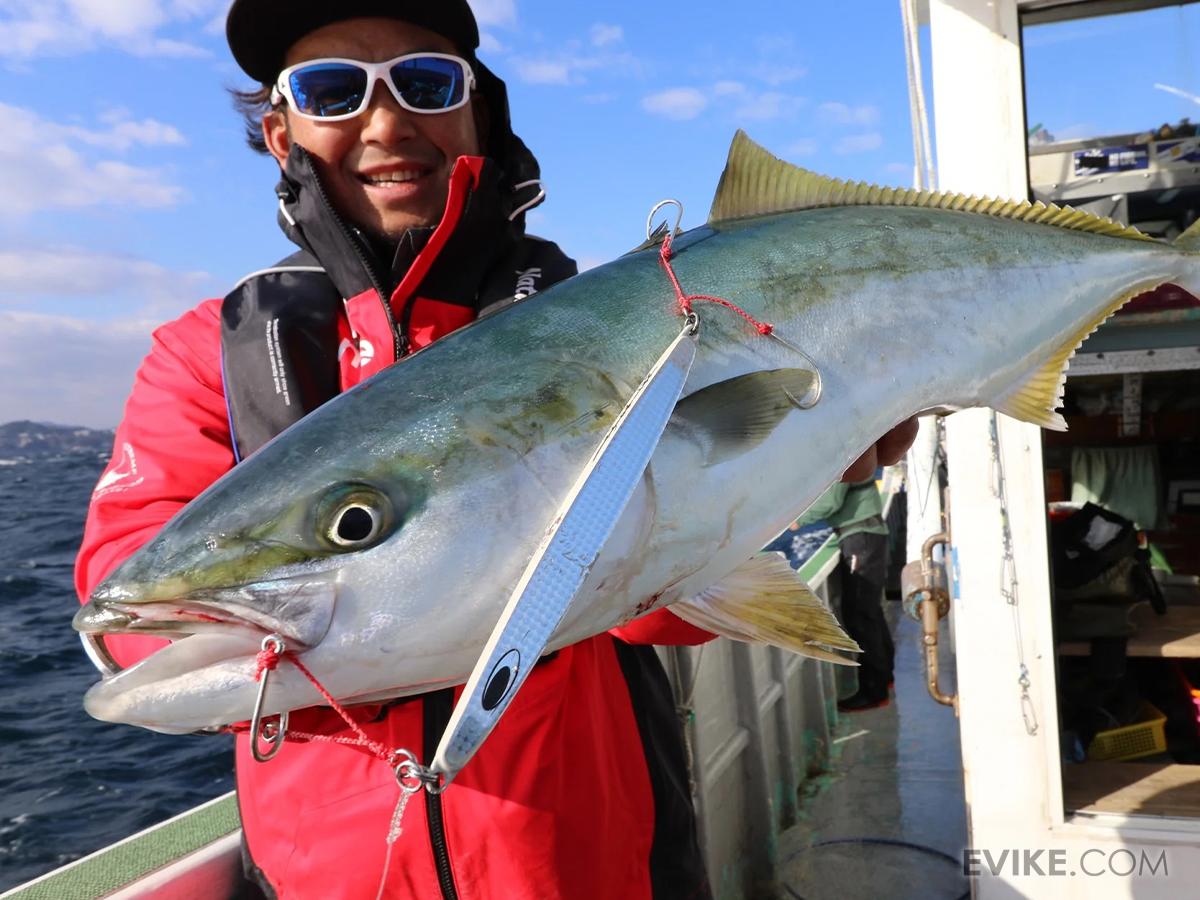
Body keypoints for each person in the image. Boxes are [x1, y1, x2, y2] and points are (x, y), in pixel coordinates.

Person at [75, 3, 918, 896]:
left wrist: (787, 473)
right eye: (332, 91)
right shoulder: (214, 351)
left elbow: (666, 609)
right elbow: (127, 608)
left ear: (479, 112)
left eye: (425, 83)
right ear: (282, 134)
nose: (386, 123)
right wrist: (376, 630)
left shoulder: (615, 317)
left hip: (594, 867)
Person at [792, 476, 896, 712]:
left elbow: (831, 501)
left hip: (860, 539)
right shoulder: (852, 458)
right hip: (866, 535)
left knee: (860, 616)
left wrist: (796, 520)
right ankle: (884, 677)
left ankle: (874, 692)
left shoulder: (844, 461)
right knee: (869, 612)